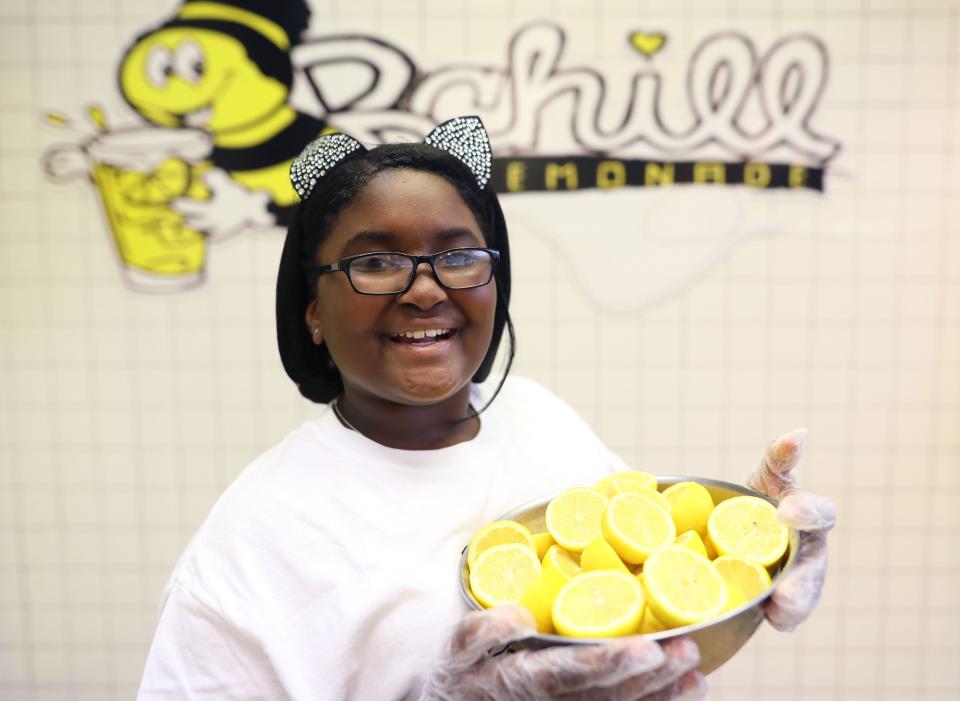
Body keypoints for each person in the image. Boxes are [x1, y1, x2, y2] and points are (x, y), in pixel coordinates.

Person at [137, 117, 836, 700]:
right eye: (376, 262)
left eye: (460, 255)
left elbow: (648, 596)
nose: (425, 290)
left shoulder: (539, 417)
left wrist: (746, 547)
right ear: (313, 309)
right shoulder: (255, 539)